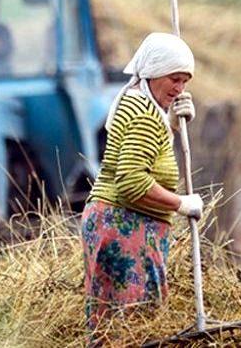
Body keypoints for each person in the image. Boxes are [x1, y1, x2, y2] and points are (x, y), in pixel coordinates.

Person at [80, 32, 203, 339]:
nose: (180, 88)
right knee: (133, 328)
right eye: (174, 79)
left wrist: (171, 124)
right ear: (154, 72)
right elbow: (132, 181)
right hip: (126, 227)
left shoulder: (139, 104)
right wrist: (181, 203)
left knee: (114, 328)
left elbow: (147, 152)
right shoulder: (144, 115)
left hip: (114, 223)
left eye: (185, 81)